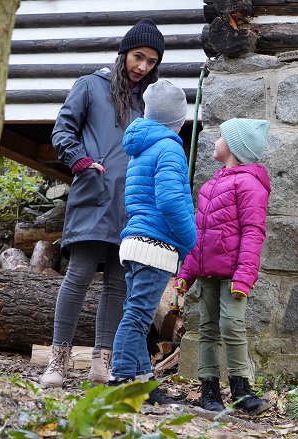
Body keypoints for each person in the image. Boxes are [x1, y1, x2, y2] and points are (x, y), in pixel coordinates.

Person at [40, 18, 165, 388]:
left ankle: (102, 362)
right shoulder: (90, 86)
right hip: (93, 195)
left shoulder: (148, 102)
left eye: (151, 62)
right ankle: (58, 361)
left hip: (132, 205)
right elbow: (63, 129)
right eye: (138, 56)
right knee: (77, 276)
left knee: (117, 284)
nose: (142, 66)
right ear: (124, 52)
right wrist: (80, 160)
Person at [174, 118, 272, 414]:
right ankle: (209, 389)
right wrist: (186, 272)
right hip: (206, 272)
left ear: (233, 147)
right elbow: (197, 234)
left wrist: (244, 276)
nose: (214, 142)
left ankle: (242, 390)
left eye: (220, 137)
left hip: (232, 275)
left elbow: (254, 233)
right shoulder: (210, 185)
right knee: (207, 328)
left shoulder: (250, 184)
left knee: (231, 325)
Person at [108, 79, 196, 405]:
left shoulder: (140, 148)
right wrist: (190, 240)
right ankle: (118, 382)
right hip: (155, 245)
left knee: (136, 314)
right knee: (136, 318)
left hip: (134, 241)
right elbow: (172, 202)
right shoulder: (170, 147)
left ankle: (145, 384)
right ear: (179, 120)